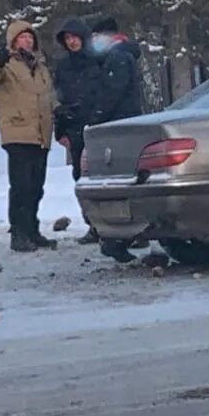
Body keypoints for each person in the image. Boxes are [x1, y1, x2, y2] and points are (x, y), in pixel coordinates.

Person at [0, 18, 56, 252]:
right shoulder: (6, 65)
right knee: (21, 187)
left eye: (30, 37)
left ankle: (32, 230)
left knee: (37, 187)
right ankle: (18, 233)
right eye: (22, 37)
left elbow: (47, 97)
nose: (27, 40)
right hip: (18, 133)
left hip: (41, 134)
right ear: (13, 42)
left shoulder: (41, 67)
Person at [85, 16, 145, 261]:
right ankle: (121, 238)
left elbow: (112, 92)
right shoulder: (121, 55)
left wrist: (97, 116)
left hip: (117, 128)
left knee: (116, 183)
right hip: (126, 126)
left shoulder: (117, 58)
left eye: (97, 37)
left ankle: (116, 238)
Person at [51, 19, 96, 176]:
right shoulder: (63, 67)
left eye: (75, 37)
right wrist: (60, 132)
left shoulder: (97, 61)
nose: (72, 41)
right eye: (68, 38)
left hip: (97, 125)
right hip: (74, 128)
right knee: (79, 175)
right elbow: (58, 98)